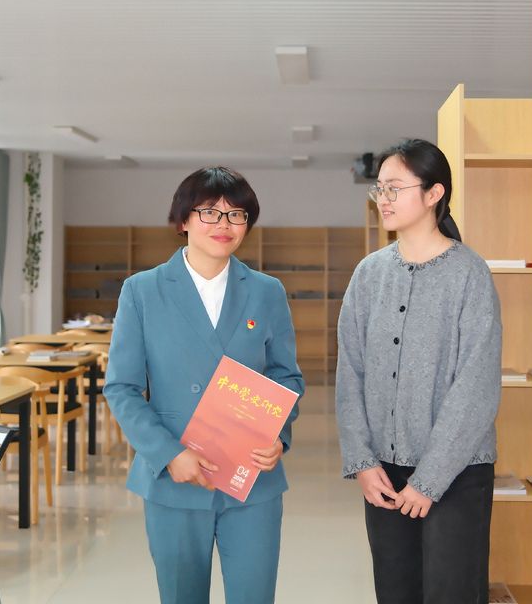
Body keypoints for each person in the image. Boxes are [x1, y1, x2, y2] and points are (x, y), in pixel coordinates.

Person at [105, 166, 305, 604]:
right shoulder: (143, 291)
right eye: (210, 212)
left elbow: (286, 377)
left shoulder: (267, 291)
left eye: (236, 214)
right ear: (183, 220)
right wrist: (167, 453)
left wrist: (277, 435)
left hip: (251, 478)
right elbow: (121, 388)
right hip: (175, 477)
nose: (224, 224)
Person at [336, 138, 502, 604]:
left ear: (434, 194)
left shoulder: (469, 273)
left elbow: (476, 386)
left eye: (395, 188)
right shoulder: (369, 274)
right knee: (395, 592)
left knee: (452, 593)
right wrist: (362, 462)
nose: (383, 199)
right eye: (380, 189)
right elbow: (350, 373)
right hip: (383, 474)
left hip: (457, 472)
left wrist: (429, 480)